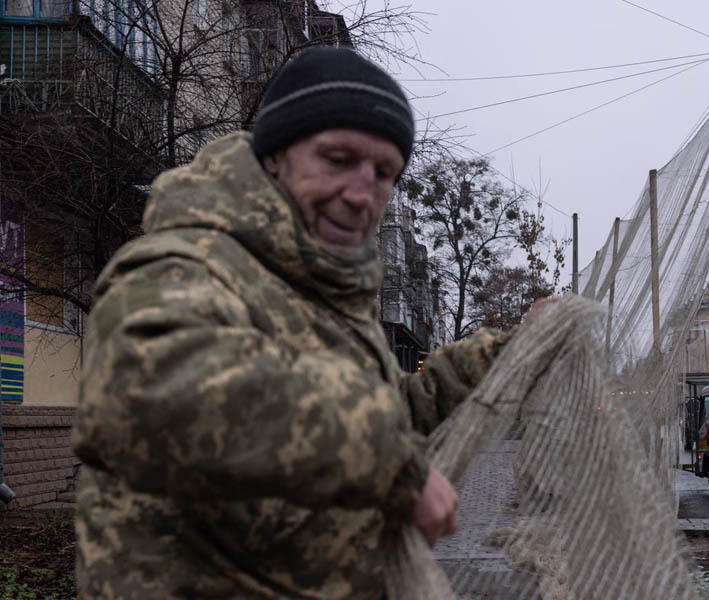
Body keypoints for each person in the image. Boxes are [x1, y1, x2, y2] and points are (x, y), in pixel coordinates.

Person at [73, 47, 518, 599]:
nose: (362, 194)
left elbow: (384, 409)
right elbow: (155, 390)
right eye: (337, 159)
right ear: (275, 156)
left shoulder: (321, 290)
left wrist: (505, 354)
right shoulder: (187, 262)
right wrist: (391, 464)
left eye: (384, 173)